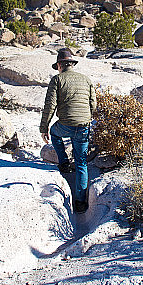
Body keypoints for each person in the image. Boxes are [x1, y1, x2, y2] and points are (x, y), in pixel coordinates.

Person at [40, 48, 97, 213]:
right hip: (84, 126)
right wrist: (86, 118)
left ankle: (64, 163)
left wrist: (44, 127)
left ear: (59, 65)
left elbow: (50, 106)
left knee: (54, 132)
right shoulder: (86, 79)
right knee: (82, 163)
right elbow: (93, 104)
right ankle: (80, 203)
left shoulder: (57, 80)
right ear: (71, 64)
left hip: (65, 125)